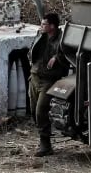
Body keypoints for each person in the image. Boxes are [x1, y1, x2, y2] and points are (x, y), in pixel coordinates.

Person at [28, 12, 68, 157]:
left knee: (41, 111)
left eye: (44, 24)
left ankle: (46, 145)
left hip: (48, 80)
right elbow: (32, 50)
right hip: (35, 76)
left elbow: (68, 54)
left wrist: (57, 57)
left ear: (52, 26)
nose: (41, 26)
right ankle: (42, 140)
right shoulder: (40, 35)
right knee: (33, 110)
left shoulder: (62, 39)